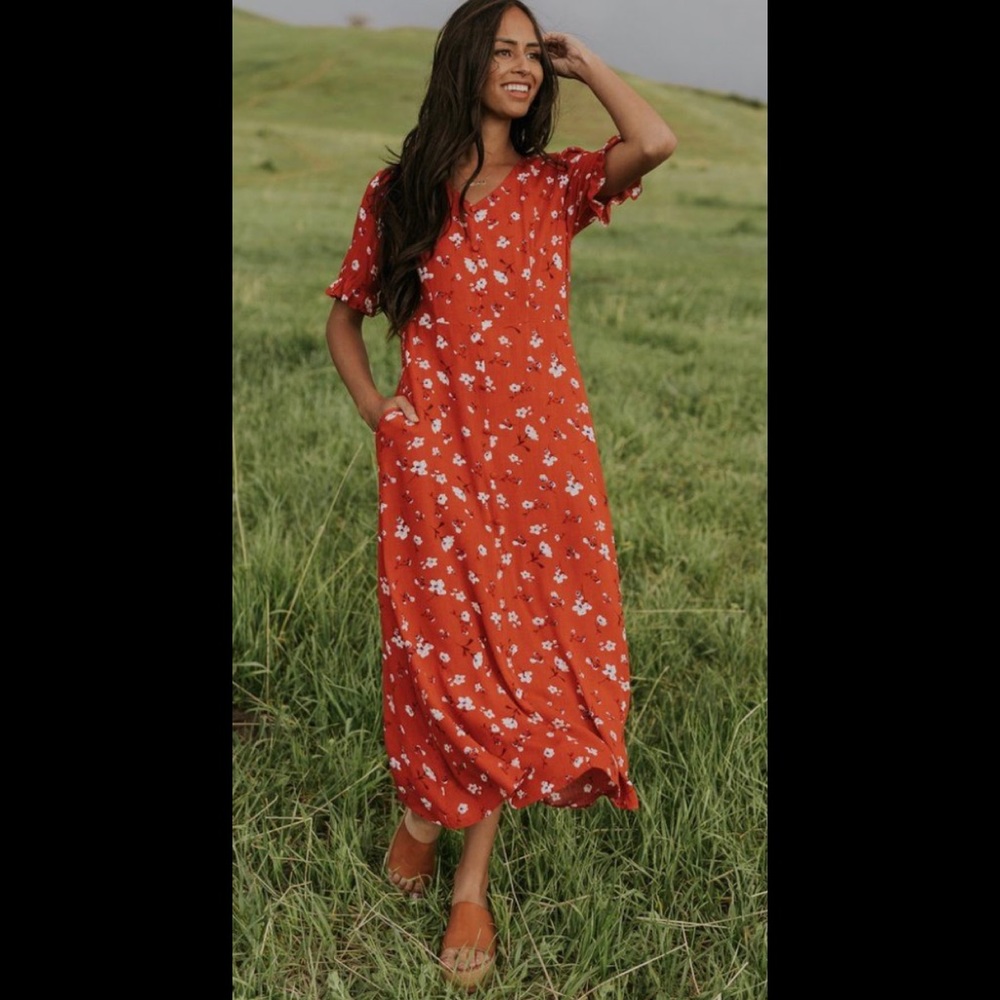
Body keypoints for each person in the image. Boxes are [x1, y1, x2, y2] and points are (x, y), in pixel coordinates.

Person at [325, 0, 676, 988]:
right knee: (439, 655)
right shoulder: (399, 193)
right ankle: (420, 812)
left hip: (543, 471)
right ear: (463, 63)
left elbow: (652, 138)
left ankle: (467, 879)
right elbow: (346, 318)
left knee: (513, 662)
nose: (524, 67)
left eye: (536, 54)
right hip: (434, 464)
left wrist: (586, 59)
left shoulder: (558, 186)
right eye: (506, 51)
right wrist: (377, 411)